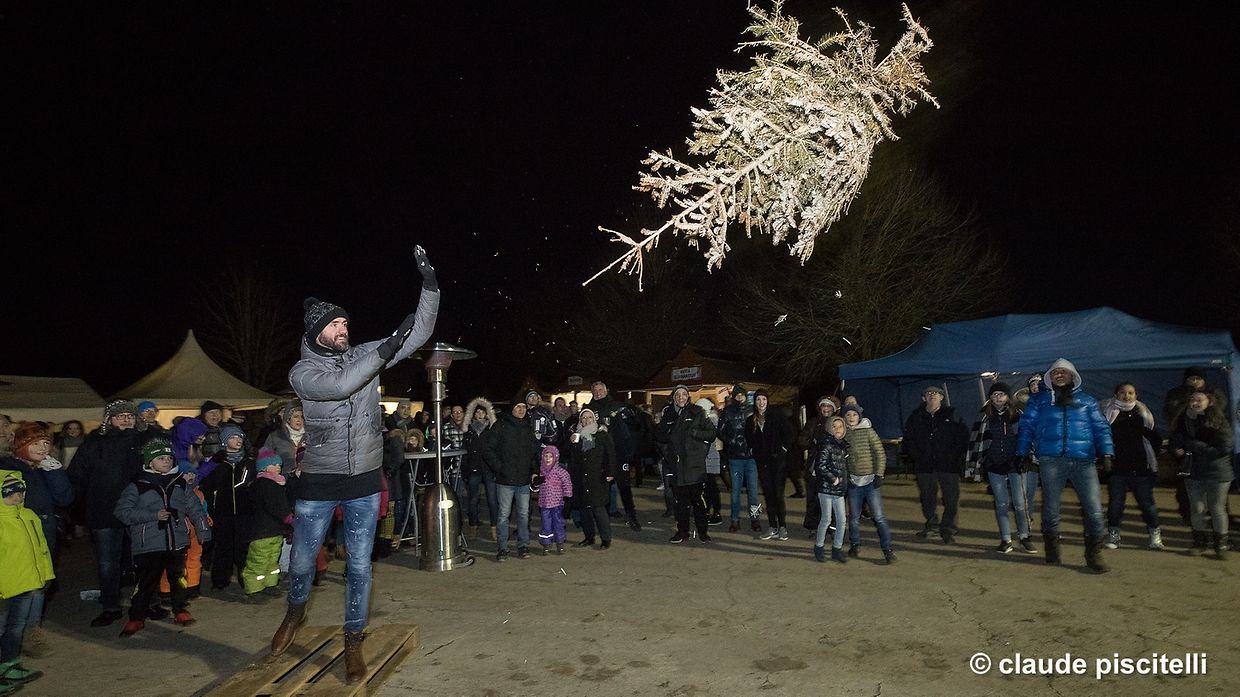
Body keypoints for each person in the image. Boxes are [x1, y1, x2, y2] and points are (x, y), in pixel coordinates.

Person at [269, 245, 439, 686]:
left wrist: (429, 287)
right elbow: (344, 383)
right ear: (316, 332)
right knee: (304, 563)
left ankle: (352, 640)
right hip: (320, 482)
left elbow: (417, 335)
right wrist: (384, 350)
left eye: (345, 322)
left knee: (360, 567)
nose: (344, 328)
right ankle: (295, 609)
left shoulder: (364, 352)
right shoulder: (302, 373)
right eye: (335, 324)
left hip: (364, 480)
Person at [1016, 358, 1114, 573]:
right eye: (1055, 372)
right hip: (1051, 460)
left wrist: (1107, 451)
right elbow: (1026, 427)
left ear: (1073, 376)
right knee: (1051, 509)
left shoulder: (1087, 401)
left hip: (1084, 461)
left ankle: (1094, 553)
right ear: (1050, 377)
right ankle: (1052, 548)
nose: (1059, 374)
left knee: (1095, 510)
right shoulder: (1039, 400)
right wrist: (1022, 452)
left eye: (1064, 372)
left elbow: (1101, 427)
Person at [113, 438, 212, 637]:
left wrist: (202, 530)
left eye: (169, 457)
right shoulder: (138, 485)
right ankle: (136, 617)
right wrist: (151, 516)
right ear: (150, 462)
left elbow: (195, 508)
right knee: (145, 583)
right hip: (148, 544)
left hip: (176, 541)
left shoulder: (179, 484)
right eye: (160, 458)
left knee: (179, 579)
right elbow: (122, 512)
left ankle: (180, 609)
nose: (166, 461)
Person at [68, 399, 145, 628]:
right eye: (120, 415)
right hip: (104, 510)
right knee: (107, 562)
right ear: (109, 419)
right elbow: (77, 475)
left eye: (129, 415)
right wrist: (71, 506)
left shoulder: (144, 440)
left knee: (143, 559)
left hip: (138, 510)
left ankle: (145, 602)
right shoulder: (94, 443)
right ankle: (110, 606)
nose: (125, 418)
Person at [966, 383, 1036, 554]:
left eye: (1002, 394)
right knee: (1001, 504)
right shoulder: (984, 416)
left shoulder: (1018, 414)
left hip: (1015, 464)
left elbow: (1027, 436)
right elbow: (976, 441)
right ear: (990, 397)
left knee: (1020, 504)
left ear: (1008, 397)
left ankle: (1025, 536)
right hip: (995, 465)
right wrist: (976, 465)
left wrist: (1026, 457)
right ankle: (1006, 539)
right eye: (995, 394)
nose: (998, 397)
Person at [0, 472, 54, 690]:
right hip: (7, 584)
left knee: (16, 627)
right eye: (10, 492)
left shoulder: (29, 515)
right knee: (5, 627)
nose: (17, 496)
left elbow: (41, 549)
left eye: (20, 491)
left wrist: (46, 574)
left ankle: (9, 664)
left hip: (28, 582)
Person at [1098, 383, 1164, 550]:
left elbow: (1155, 438)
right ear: (1115, 394)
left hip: (1141, 468)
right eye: (1122, 393)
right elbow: (1100, 438)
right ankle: (1113, 534)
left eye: (1130, 393)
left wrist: (1150, 457)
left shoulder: (1142, 414)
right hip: (1117, 469)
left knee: (1147, 504)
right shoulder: (1107, 414)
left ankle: (1155, 534)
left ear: (1136, 395)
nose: (1126, 396)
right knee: (1115, 504)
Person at [1170, 389, 1233, 559]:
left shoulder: (1220, 421)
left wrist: (1194, 445)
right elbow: (1176, 439)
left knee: (1216, 508)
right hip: (1194, 471)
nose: (1195, 402)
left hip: (1217, 471)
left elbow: (1224, 448)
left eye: (1199, 399)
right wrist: (1176, 448)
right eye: (1192, 399)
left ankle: (1221, 544)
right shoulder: (1183, 420)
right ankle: (1199, 542)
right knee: (1196, 508)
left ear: (1209, 401)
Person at [902, 386, 968, 544]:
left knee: (951, 498)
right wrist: (916, 456)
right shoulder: (916, 416)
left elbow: (963, 436)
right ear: (924, 398)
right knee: (927, 497)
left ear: (942, 397)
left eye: (936, 393)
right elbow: (909, 439)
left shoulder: (952, 414)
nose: (932, 396)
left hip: (948, 465)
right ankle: (931, 524)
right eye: (928, 393)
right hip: (924, 465)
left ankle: (948, 528)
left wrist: (954, 455)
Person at [655, 385, 716, 543]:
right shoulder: (668, 414)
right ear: (674, 397)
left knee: (697, 502)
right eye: (677, 395)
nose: (680, 397)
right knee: (680, 503)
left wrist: (695, 434)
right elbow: (659, 435)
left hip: (694, 465)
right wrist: (667, 447)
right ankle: (682, 532)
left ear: (688, 396)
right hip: (676, 466)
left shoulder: (697, 412)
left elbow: (711, 434)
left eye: (683, 394)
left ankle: (703, 532)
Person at [199, 423, 254, 592]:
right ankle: (220, 580)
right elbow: (206, 487)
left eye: (240, 437)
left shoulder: (249, 463)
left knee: (243, 549)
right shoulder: (217, 464)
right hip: (223, 514)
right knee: (223, 547)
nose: (237, 440)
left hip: (245, 513)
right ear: (224, 441)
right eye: (232, 437)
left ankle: (248, 581)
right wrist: (211, 509)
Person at [841, 405, 896, 563]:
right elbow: (843, 459)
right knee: (853, 517)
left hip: (871, 482)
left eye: (854, 414)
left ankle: (887, 549)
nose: (851, 417)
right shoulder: (844, 434)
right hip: (854, 482)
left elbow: (879, 453)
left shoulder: (868, 431)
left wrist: (879, 474)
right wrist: (847, 478)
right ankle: (855, 543)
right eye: (848, 414)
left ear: (859, 416)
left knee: (879, 517)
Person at [585, 381, 641, 531]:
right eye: (595, 391)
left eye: (600, 390)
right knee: (603, 487)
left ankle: (631, 516)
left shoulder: (617, 405)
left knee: (624, 486)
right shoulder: (589, 409)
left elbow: (635, 424)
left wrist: (630, 414)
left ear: (606, 390)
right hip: (600, 456)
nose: (598, 393)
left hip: (619, 454)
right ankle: (603, 520)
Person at [488, 397, 538, 561]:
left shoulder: (527, 428)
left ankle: (523, 546)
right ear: (512, 408)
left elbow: (533, 453)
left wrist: (534, 471)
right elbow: (488, 450)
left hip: (523, 479)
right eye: (518, 406)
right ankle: (502, 548)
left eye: (524, 407)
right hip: (505, 480)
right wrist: (500, 468)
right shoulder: (500, 426)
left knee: (524, 515)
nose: (521, 410)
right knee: (503, 515)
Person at [241, 450, 291, 601]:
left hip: (274, 530)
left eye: (279, 465)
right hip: (262, 530)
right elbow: (274, 505)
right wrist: (287, 516)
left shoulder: (276, 483)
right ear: (263, 467)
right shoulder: (264, 484)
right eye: (273, 465)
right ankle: (253, 588)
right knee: (258, 560)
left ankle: (269, 584)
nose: (277, 467)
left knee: (272, 559)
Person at [747, 390, 794, 541]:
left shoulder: (777, 416)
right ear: (755, 402)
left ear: (767, 401)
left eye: (763, 399)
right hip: (762, 462)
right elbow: (749, 439)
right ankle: (772, 526)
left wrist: (783, 449)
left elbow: (789, 433)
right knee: (768, 495)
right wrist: (754, 451)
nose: (761, 402)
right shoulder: (751, 420)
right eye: (758, 399)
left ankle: (783, 527)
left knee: (778, 494)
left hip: (777, 461)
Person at [567, 408, 616, 549]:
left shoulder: (601, 435)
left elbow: (610, 454)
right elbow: (569, 456)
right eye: (583, 418)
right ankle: (589, 537)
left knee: (598, 509)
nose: (586, 420)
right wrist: (571, 442)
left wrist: (610, 472)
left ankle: (606, 539)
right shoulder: (577, 436)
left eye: (589, 417)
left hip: (597, 477)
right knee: (584, 510)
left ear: (593, 419)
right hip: (581, 478)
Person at [718, 384, 761, 533]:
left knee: (753, 491)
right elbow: (720, 430)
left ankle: (755, 519)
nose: (740, 397)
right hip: (735, 457)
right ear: (734, 396)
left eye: (742, 395)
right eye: (737, 395)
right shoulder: (728, 411)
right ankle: (734, 520)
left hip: (751, 457)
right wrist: (731, 441)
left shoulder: (752, 410)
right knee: (735, 491)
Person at [811, 416, 849, 563]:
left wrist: (845, 481)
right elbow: (820, 465)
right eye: (835, 427)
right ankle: (819, 547)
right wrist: (833, 478)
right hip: (826, 489)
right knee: (826, 518)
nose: (838, 429)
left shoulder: (843, 446)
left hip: (839, 489)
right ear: (829, 428)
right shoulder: (827, 445)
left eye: (840, 426)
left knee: (841, 520)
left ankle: (837, 548)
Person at [462, 398, 498, 541]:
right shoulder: (468, 431)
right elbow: (465, 452)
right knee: (473, 500)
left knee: (492, 500)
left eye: (482, 412)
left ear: (487, 414)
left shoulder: (492, 429)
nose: (480, 414)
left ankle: (494, 528)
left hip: (489, 469)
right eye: (477, 412)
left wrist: (496, 467)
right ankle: (472, 526)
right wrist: (465, 470)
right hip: (474, 469)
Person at [535, 446, 572, 555]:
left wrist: (567, 498)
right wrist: (536, 483)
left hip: (557, 503)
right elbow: (534, 488)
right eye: (546, 456)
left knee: (558, 523)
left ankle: (560, 543)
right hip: (545, 504)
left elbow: (567, 485)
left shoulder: (561, 472)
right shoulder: (540, 472)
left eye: (550, 457)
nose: (548, 459)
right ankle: (546, 544)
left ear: (555, 458)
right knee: (546, 524)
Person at [695, 398, 724, 525]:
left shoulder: (712, 420)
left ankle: (716, 512)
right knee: (706, 487)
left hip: (711, 457)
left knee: (711, 487)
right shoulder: (705, 419)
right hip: (704, 458)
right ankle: (707, 510)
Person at [260, 402, 305, 476]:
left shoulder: (311, 437)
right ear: (288, 419)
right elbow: (264, 459)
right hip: (283, 481)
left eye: (302, 417)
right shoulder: (275, 436)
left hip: (306, 481)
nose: (299, 420)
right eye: (296, 416)